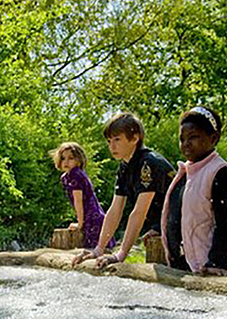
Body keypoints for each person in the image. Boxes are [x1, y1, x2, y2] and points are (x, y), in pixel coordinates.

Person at [72, 112, 175, 268]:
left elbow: (139, 212)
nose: (112, 146)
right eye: (109, 141)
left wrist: (120, 255)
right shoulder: (124, 166)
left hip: (186, 225)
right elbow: (115, 209)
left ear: (134, 139)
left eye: (117, 139)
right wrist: (99, 249)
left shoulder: (148, 163)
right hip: (166, 222)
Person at [160, 106, 227, 276]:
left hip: (219, 271)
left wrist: (216, 262)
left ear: (213, 138)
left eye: (193, 137)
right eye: (182, 138)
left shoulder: (221, 173)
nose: (186, 144)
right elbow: (180, 216)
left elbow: (226, 224)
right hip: (192, 269)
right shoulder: (186, 174)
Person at [50, 142, 115, 250]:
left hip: (92, 218)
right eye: (63, 158)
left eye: (71, 158)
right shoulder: (66, 176)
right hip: (90, 216)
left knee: (93, 250)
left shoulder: (75, 174)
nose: (66, 162)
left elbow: (78, 200)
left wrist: (80, 224)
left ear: (79, 160)